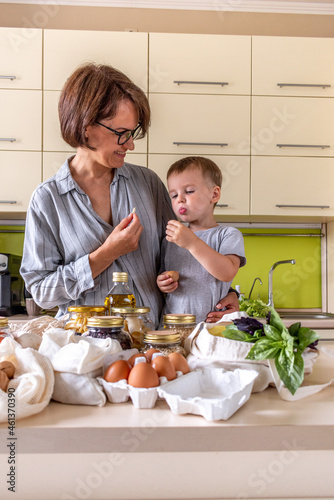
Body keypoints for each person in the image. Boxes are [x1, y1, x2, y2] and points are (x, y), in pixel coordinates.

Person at [20, 63, 239, 327]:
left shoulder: (148, 184)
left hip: (152, 347)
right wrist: (106, 254)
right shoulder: (48, 200)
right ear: (86, 126)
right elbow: (41, 292)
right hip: (84, 350)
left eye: (132, 132)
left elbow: (186, 257)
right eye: (121, 134)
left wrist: (228, 294)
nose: (131, 144)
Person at [157, 156, 246, 323]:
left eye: (189, 191)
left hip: (211, 328)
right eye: (174, 195)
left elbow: (227, 273)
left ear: (214, 194)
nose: (180, 199)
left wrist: (192, 243)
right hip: (172, 328)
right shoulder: (170, 240)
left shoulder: (228, 234)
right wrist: (163, 283)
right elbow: (163, 279)